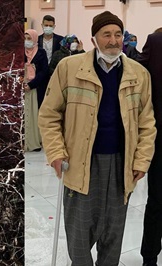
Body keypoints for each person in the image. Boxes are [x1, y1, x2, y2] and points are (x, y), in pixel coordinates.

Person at [39, 11, 156, 265]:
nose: (113, 41)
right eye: (106, 35)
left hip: (120, 165)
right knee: (79, 240)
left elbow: (147, 123)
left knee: (113, 236)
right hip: (81, 162)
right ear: (93, 39)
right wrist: (56, 152)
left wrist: (142, 160)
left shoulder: (138, 74)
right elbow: (49, 114)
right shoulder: (69, 69)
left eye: (117, 35)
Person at [137, 27, 162, 266]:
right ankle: (150, 256)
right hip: (161, 135)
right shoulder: (156, 41)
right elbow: (136, 75)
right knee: (157, 199)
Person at [24, 29, 48, 152]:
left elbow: (44, 72)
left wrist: (32, 84)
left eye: (29, 39)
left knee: (34, 114)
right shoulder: (21, 53)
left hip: (35, 88)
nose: (27, 41)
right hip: (22, 87)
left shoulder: (41, 53)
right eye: (25, 38)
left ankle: (33, 142)